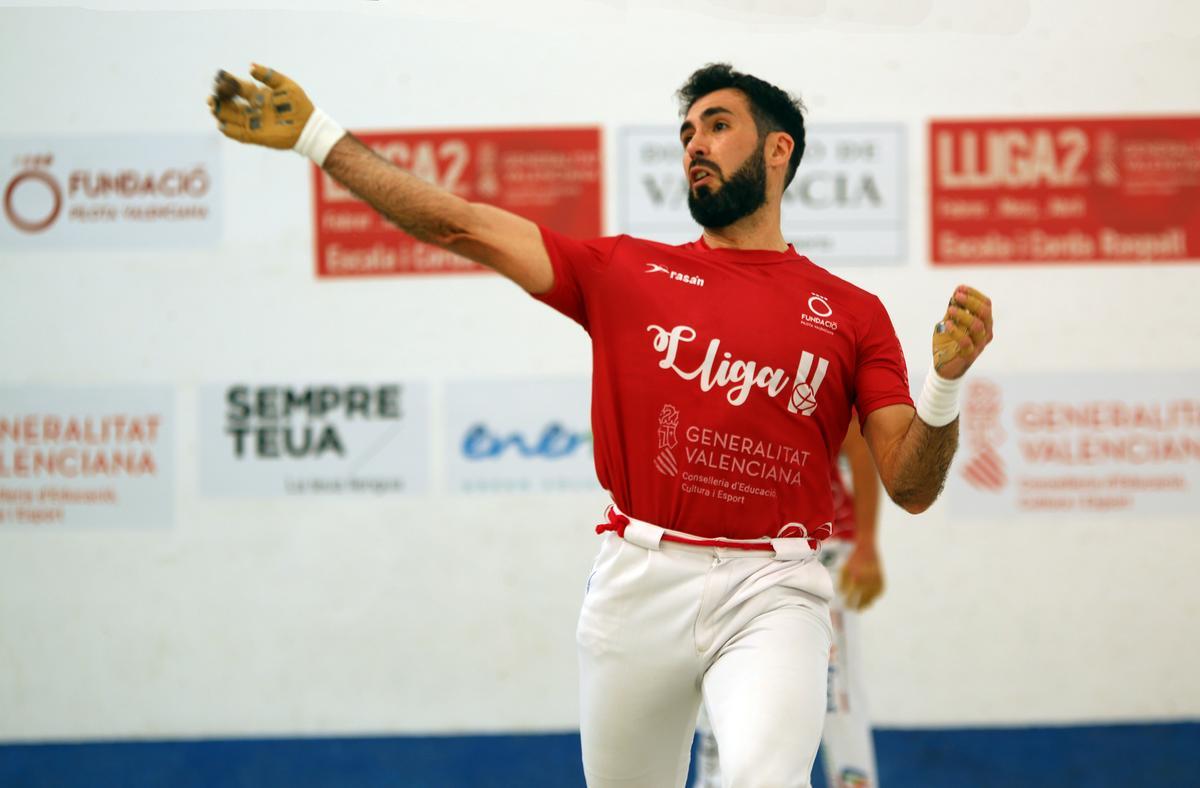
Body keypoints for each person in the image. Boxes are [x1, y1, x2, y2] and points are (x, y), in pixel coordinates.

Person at [208, 62, 994, 788]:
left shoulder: (853, 315)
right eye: (687, 132)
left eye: (717, 125)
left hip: (776, 586)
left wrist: (945, 385)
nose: (696, 145)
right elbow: (459, 224)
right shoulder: (626, 271)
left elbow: (912, 484)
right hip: (636, 581)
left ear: (778, 149)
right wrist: (319, 139)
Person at [693, 417, 887, 788]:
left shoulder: (810, 363)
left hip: (819, 547)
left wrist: (866, 544)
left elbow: (857, 448)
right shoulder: (708, 374)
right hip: (734, 550)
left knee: (833, 691)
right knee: (719, 682)